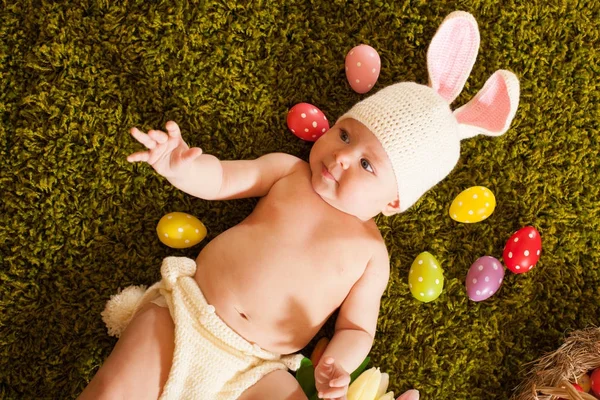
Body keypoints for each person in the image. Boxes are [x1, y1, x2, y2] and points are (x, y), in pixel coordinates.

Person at [79, 11, 519, 400]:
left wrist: (338, 365)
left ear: (394, 201)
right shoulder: (289, 172)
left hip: (258, 369)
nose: (343, 156)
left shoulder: (370, 255)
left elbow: (356, 329)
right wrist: (178, 166)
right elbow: (221, 180)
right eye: (345, 134)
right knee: (112, 391)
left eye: (367, 164)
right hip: (188, 316)